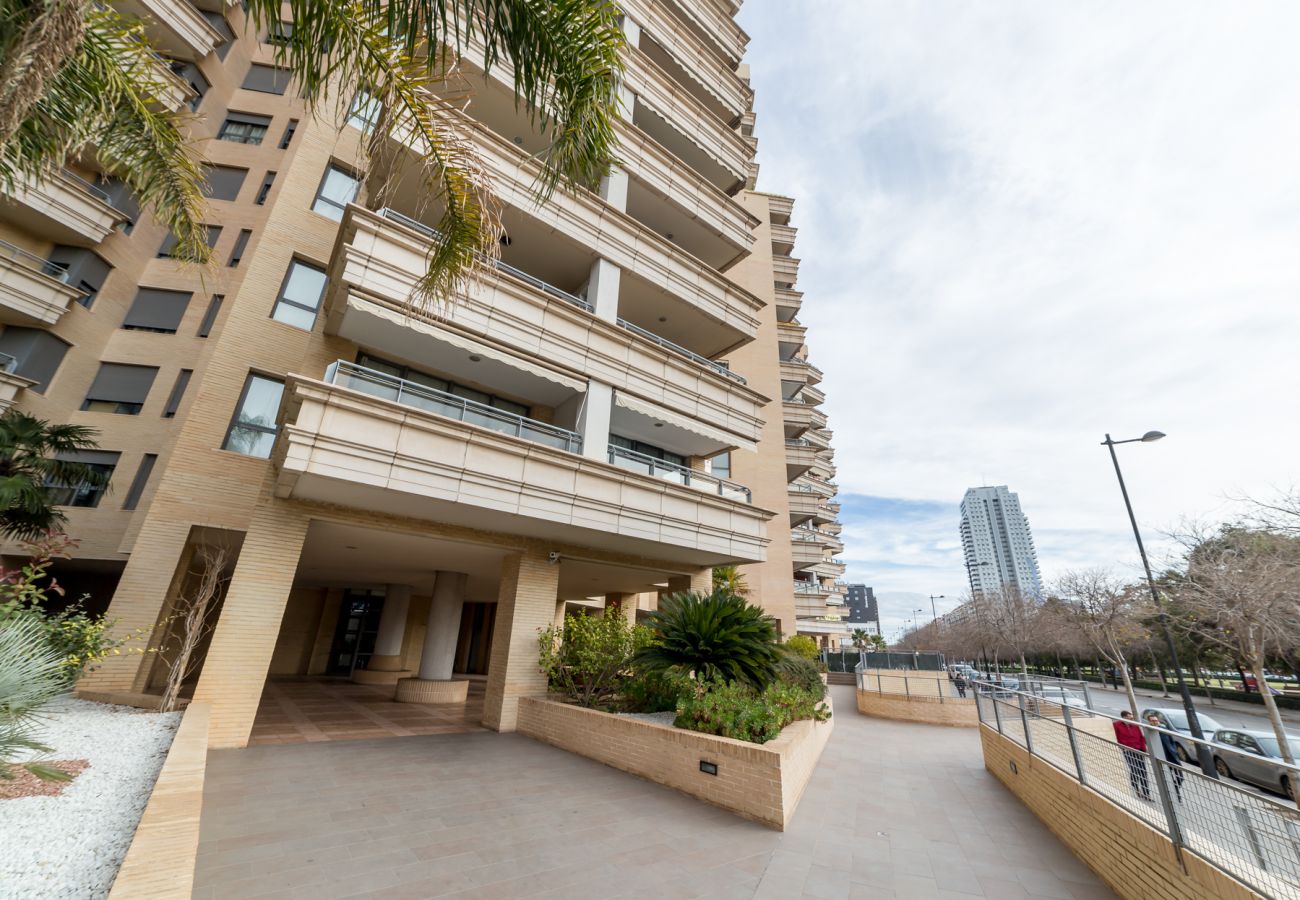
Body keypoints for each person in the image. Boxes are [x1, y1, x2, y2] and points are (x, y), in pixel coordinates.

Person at [1114, 710, 1153, 801]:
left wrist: (1144, 749)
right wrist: (1122, 746)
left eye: (1132, 718)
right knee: (1134, 769)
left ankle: (1146, 794)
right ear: (1124, 717)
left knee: (1143, 771)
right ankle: (1135, 786)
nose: (1132, 719)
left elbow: (1141, 737)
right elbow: (1116, 736)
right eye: (1130, 718)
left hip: (1139, 750)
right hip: (1128, 750)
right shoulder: (1116, 725)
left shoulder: (1135, 725)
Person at [1147, 713, 1185, 802]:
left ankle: (1175, 788)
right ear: (1149, 722)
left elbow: (1171, 740)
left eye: (1156, 720)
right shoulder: (1149, 731)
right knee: (1167, 778)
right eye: (1152, 721)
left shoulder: (1163, 729)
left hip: (1172, 757)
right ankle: (1175, 796)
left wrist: (1175, 751)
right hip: (1161, 758)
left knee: (1180, 777)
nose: (1155, 722)